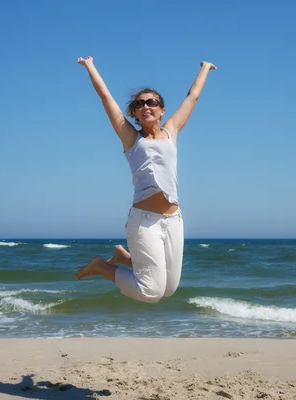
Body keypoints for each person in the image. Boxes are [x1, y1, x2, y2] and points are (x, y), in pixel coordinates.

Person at [75, 56, 216, 303]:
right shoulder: (132, 138)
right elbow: (106, 97)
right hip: (144, 221)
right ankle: (101, 266)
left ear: (162, 109)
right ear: (135, 113)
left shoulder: (171, 131)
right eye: (140, 104)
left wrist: (204, 69)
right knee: (151, 292)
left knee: (169, 289)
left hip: (174, 219)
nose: (146, 106)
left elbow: (192, 98)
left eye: (152, 102)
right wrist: (90, 66)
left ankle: (124, 256)